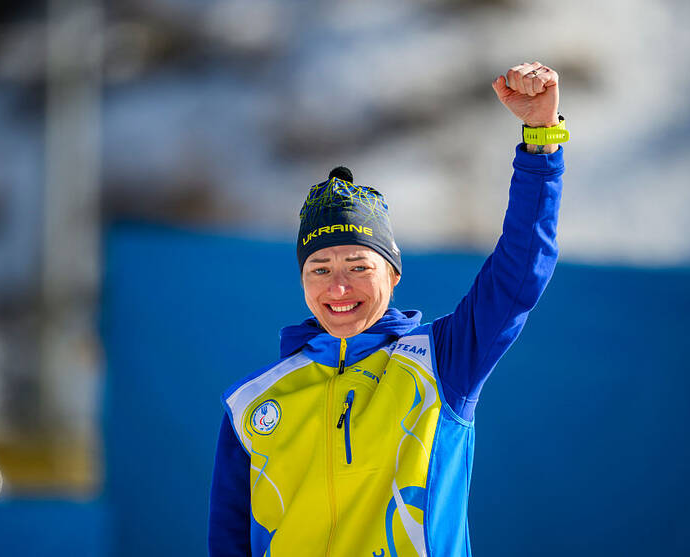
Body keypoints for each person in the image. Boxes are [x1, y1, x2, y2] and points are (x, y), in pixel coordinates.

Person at [208, 61, 567, 557]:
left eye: (359, 265)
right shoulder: (251, 405)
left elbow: (522, 268)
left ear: (393, 275)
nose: (338, 286)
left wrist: (541, 140)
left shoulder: (443, 363)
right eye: (320, 269)